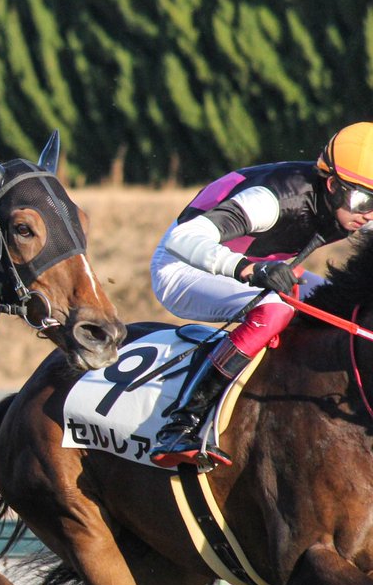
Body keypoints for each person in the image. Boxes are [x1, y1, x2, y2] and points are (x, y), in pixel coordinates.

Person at [149, 121, 373, 468]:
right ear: (332, 185)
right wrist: (249, 270)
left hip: (258, 267)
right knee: (273, 310)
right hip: (184, 268)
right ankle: (184, 420)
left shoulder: (353, 204)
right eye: (363, 200)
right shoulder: (271, 200)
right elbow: (182, 240)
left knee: (340, 307)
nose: (368, 215)